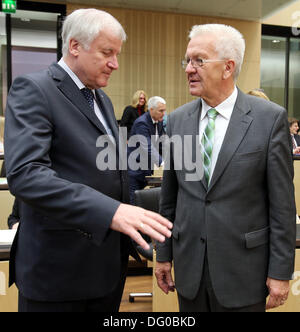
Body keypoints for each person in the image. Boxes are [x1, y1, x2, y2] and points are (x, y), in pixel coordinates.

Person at [4, 8, 172, 312]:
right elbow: (26, 174)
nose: (115, 64)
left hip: (105, 269)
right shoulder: (35, 90)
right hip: (58, 272)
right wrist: (112, 211)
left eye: (117, 54)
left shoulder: (101, 99)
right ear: (74, 46)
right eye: (107, 52)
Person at [155, 23, 296, 312]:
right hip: (190, 271)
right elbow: (169, 199)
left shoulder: (269, 120)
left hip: (244, 274)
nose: (189, 69)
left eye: (199, 60)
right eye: (187, 60)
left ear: (228, 67)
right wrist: (163, 254)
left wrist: (281, 272)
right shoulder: (178, 121)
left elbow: (282, 206)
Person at [127, 96, 166, 204]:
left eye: (164, 110)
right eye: (161, 111)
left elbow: (161, 144)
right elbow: (147, 147)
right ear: (151, 110)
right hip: (136, 168)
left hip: (148, 169)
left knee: (146, 201)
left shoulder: (159, 122)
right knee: (134, 202)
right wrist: (162, 163)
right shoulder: (142, 123)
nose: (164, 113)